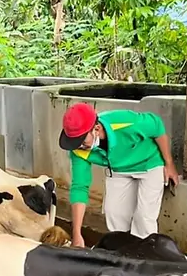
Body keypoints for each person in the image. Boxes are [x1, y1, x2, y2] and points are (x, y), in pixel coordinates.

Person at [58, 103, 179, 248]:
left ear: (96, 129)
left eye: (82, 141)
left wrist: (169, 163)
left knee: (144, 218)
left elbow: (157, 126)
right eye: (73, 142)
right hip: (118, 169)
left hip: (149, 165)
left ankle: (145, 257)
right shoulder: (77, 149)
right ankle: (123, 254)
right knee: (113, 214)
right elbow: (80, 187)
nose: (78, 146)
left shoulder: (124, 121)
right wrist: (77, 233)